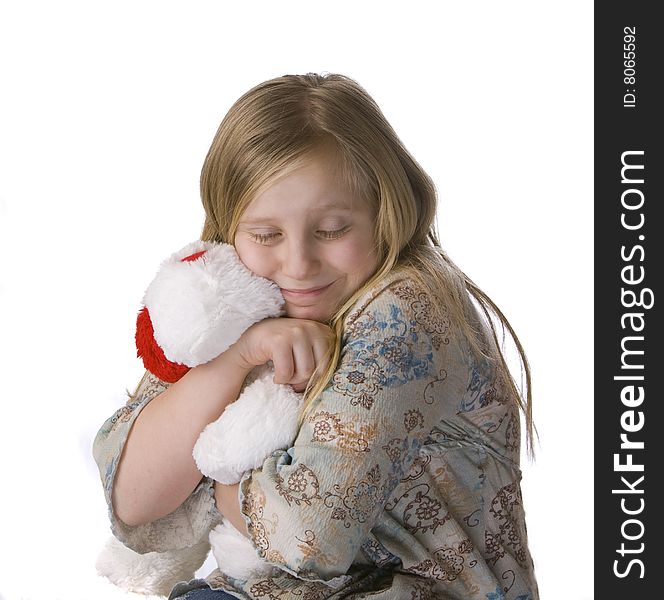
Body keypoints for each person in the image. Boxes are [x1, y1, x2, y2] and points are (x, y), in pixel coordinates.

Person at [93, 72, 540, 600]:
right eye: (266, 235)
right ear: (229, 228)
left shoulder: (407, 309)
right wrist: (238, 359)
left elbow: (307, 534)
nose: (299, 264)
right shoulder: (238, 291)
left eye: (332, 230)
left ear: (386, 210)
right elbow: (134, 498)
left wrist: (212, 470)